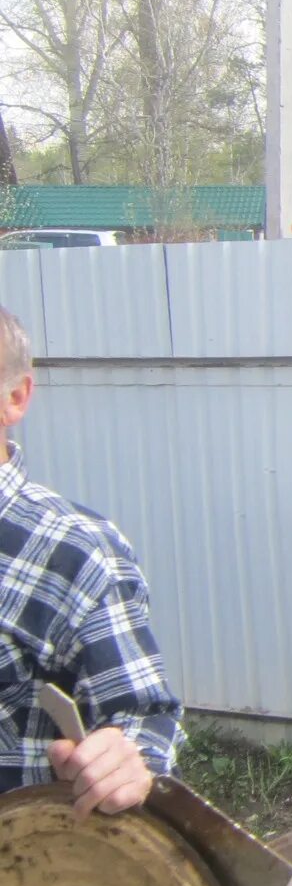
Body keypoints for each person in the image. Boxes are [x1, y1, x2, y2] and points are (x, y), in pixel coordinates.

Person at [0, 306, 184, 817]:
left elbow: (143, 722)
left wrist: (129, 767)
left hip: (28, 881)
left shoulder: (75, 553)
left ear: (15, 398)